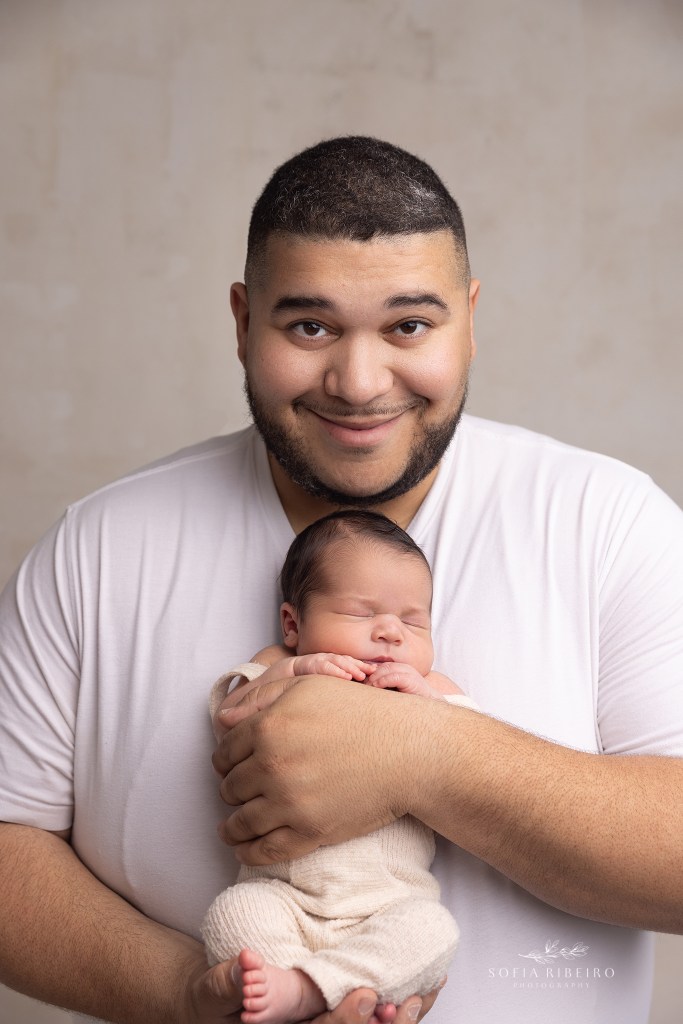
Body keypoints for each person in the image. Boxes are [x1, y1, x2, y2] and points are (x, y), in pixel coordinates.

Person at [0, 136, 682, 1024]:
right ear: (242, 321)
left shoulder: (608, 522)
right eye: (310, 327)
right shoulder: (98, 546)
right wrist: (190, 996)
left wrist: (421, 756)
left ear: (469, 320)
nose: (359, 385)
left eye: (409, 326)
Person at [202, 509, 479, 1024]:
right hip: (285, 897)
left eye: (413, 621)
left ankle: (309, 989)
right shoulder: (279, 666)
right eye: (360, 613)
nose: (391, 633)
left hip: (388, 907)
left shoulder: (434, 690)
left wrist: (427, 705)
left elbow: (474, 762)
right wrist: (296, 670)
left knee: (433, 929)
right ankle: (302, 991)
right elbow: (231, 717)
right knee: (233, 913)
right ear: (293, 624)